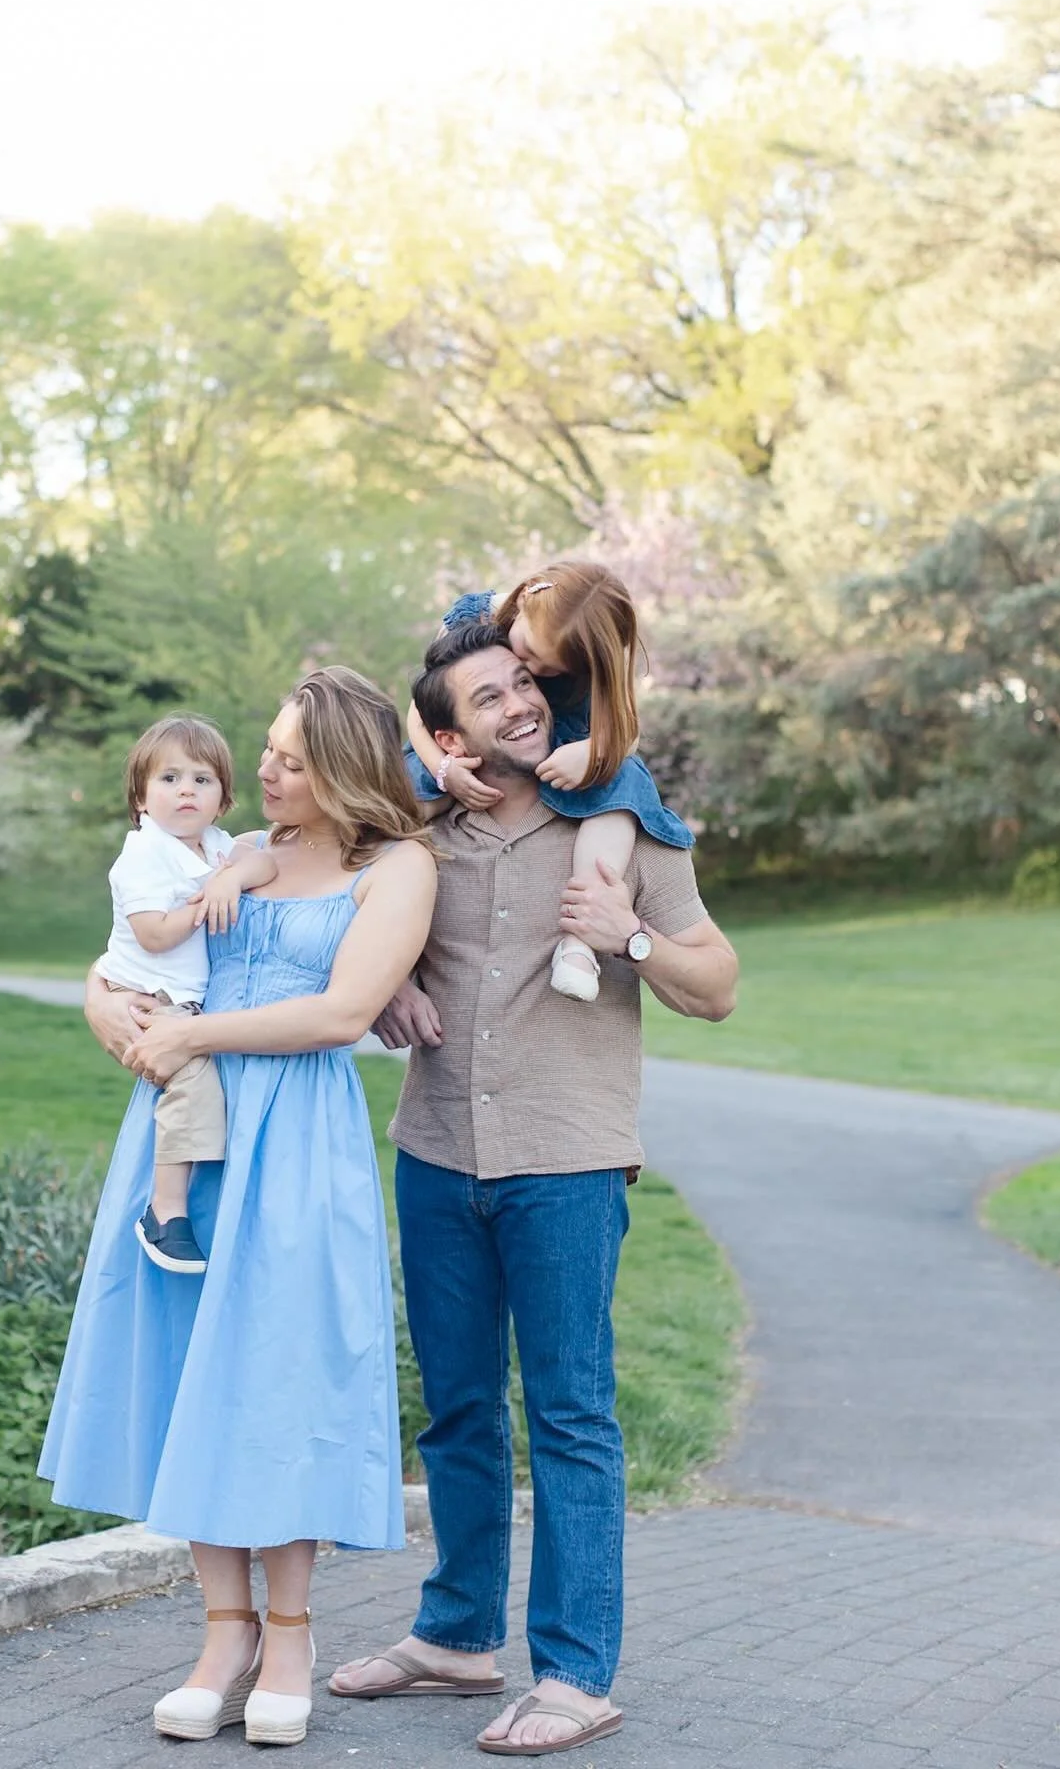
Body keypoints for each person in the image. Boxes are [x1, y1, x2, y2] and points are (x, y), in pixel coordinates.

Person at [332, 622, 738, 1758]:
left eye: (523, 684)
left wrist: (634, 943)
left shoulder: (623, 826)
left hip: (566, 1161)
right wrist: (386, 988)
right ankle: (457, 1636)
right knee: (458, 1411)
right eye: (488, 696)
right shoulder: (416, 837)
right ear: (449, 734)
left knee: (569, 1415)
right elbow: (326, 882)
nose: (518, 705)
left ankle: (573, 1673)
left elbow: (719, 985)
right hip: (437, 1153)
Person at [40, 666, 439, 1750]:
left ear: (346, 771)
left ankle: (294, 1633)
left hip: (296, 1141)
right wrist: (104, 1008)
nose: (261, 770)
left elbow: (344, 1010)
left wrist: (192, 1036)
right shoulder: (224, 850)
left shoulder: (394, 867)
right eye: (266, 749)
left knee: (281, 1372)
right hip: (189, 1129)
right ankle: (224, 1634)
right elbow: (127, 954)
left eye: (290, 760)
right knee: (191, 1372)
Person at [405, 560, 695, 1003]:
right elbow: (421, 709)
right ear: (522, 601)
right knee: (401, 801)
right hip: (455, 746)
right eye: (530, 651)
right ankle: (386, 938)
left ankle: (580, 937)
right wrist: (443, 769)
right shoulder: (474, 616)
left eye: (551, 669)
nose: (533, 668)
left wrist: (596, 751)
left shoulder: (591, 656)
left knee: (622, 781)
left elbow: (626, 729)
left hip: (560, 745)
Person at [90, 713, 276, 1274]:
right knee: (192, 1086)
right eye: (169, 779)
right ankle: (164, 1211)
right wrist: (202, 904)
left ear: (222, 799)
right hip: (145, 994)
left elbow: (262, 859)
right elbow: (153, 933)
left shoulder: (212, 846)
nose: (186, 791)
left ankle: (175, 1201)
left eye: (202, 779)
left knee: (198, 1087)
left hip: (182, 998)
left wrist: (229, 877)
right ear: (142, 798)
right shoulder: (146, 855)